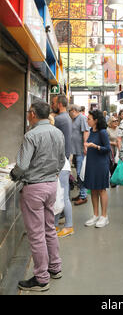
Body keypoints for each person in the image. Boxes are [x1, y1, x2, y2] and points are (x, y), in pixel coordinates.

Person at [10, 101, 65, 292]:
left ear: (32, 114)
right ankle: (55, 268)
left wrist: (14, 175)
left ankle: (41, 279)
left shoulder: (31, 135)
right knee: (49, 228)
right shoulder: (57, 133)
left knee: (36, 234)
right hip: (51, 186)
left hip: (34, 189)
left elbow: (23, 166)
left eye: (28, 112)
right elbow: (61, 160)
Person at [83, 110, 111, 228]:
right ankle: (95, 214)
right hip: (91, 163)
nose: (87, 120)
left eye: (89, 119)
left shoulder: (102, 132)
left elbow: (108, 148)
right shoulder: (91, 131)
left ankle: (104, 216)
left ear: (96, 120)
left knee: (101, 189)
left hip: (101, 164)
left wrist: (96, 146)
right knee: (93, 189)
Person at [51, 95, 74, 238]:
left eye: (53, 103)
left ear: (59, 104)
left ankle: (69, 226)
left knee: (63, 196)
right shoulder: (67, 118)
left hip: (61, 163)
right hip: (63, 161)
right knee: (59, 195)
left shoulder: (59, 120)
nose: (51, 105)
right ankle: (54, 224)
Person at [69, 105, 90, 205]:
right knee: (78, 173)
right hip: (76, 151)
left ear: (73, 111)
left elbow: (86, 131)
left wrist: (85, 145)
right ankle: (81, 193)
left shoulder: (81, 118)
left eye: (69, 111)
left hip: (81, 151)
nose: (69, 113)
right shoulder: (74, 119)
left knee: (80, 173)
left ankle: (83, 196)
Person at [107, 116, 120, 184]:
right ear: (110, 122)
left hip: (118, 148)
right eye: (114, 121)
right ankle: (111, 179)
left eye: (117, 121)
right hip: (110, 149)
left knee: (116, 163)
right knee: (111, 164)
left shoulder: (119, 129)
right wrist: (114, 143)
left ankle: (114, 179)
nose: (116, 122)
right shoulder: (108, 130)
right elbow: (106, 140)